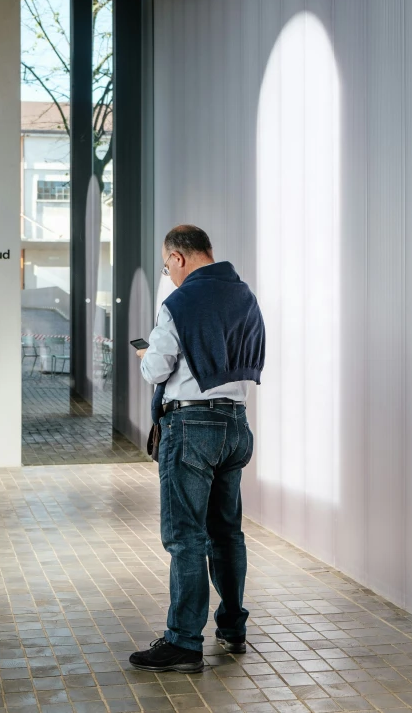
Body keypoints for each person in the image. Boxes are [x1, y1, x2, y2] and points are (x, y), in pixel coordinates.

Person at [128, 224, 265, 674]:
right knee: (226, 533)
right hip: (236, 424)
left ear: (180, 257)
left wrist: (145, 357)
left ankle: (184, 643)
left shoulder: (179, 303)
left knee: (185, 537)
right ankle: (232, 628)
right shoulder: (243, 294)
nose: (168, 274)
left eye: (167, 264)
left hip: (191, 426)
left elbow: (156, 370)